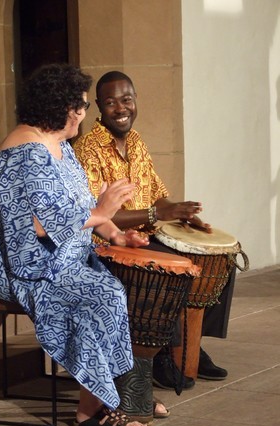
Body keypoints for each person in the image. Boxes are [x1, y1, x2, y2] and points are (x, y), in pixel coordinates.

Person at [0, 63, 152, 426]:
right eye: (82, 106)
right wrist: (101, 212)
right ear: (62, 108)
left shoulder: (58, 146)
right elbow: (36, 225)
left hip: (56, 258)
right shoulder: (25, 154)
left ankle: (115, 395)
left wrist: (117, 235)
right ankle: (93, 410)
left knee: (110, 288)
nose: (85, 114)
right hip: (16, 265)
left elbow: (80, 204)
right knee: (96, 294)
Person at [74, 71, 234, 391]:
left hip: (144, 235)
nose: (121, 108)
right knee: (172, 267)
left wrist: (181, 213)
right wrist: (155, 213)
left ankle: (191, 345)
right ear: (99, 110)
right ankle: (160, 353)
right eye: (110, 102)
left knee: (221, 258)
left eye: (127, 100)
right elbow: (96, 217)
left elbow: (158, 193)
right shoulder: (89, 150)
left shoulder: (136, 142)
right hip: (105, 244)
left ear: (136, 101)